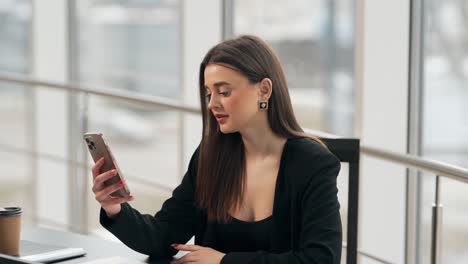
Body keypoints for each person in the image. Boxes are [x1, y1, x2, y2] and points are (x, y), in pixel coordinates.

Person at [91, 35, 342, 264]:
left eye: (224, 91)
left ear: (264, 89)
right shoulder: (211, 155)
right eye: (209, 93)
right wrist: (115, 208)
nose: (212, 104)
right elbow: (164, 236)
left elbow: (321, 258)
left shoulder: (312, 163)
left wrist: (224, 261)